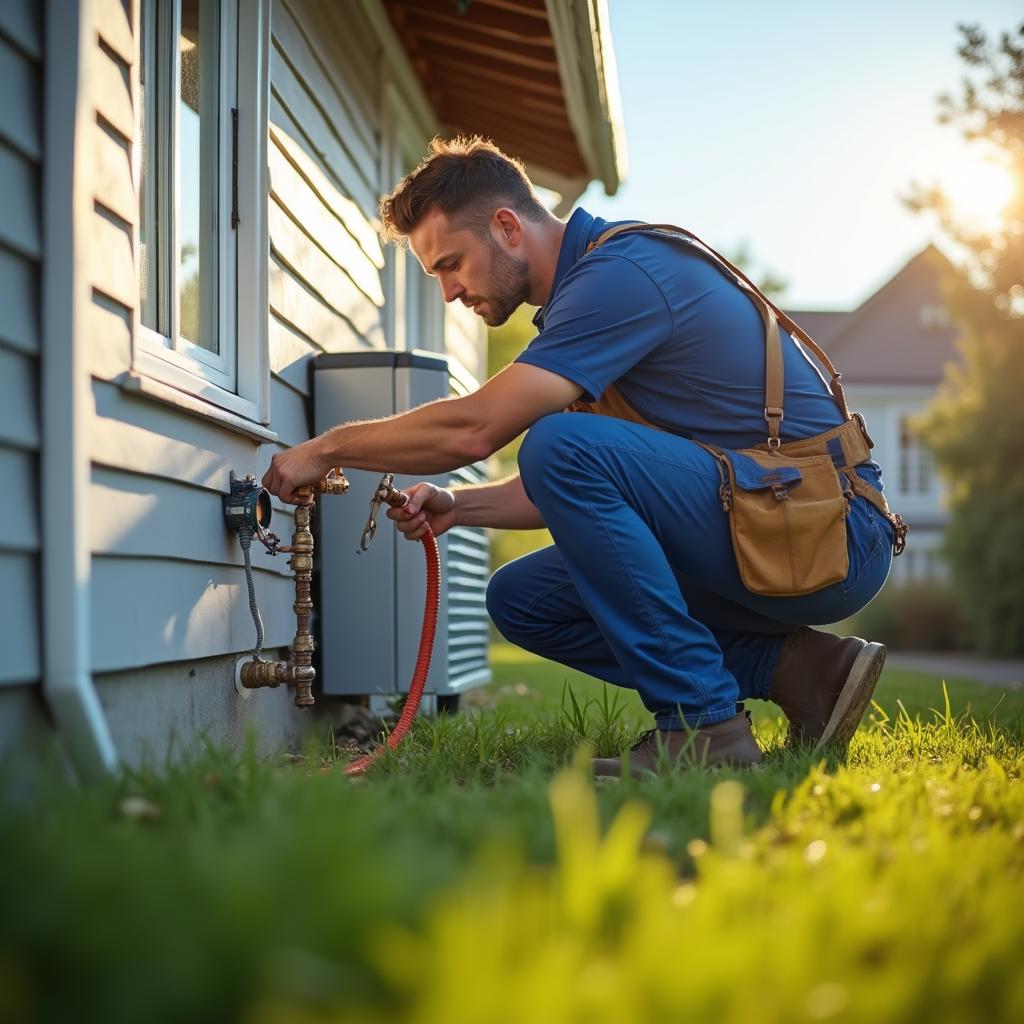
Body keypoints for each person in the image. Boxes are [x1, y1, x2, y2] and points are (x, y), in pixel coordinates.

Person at [262, 136, 896, 776]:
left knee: (558, 444)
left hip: (831, 530)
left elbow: (478, 431)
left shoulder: (621, 275)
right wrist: (460, 505)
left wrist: (329, 447)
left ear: (507, 227)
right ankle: (803, 671)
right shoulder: (581, 305)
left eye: (452, 264)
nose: (449, 293)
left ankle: (704, 727)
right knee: (523, 599)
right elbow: (573, 485)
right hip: (769, 521)